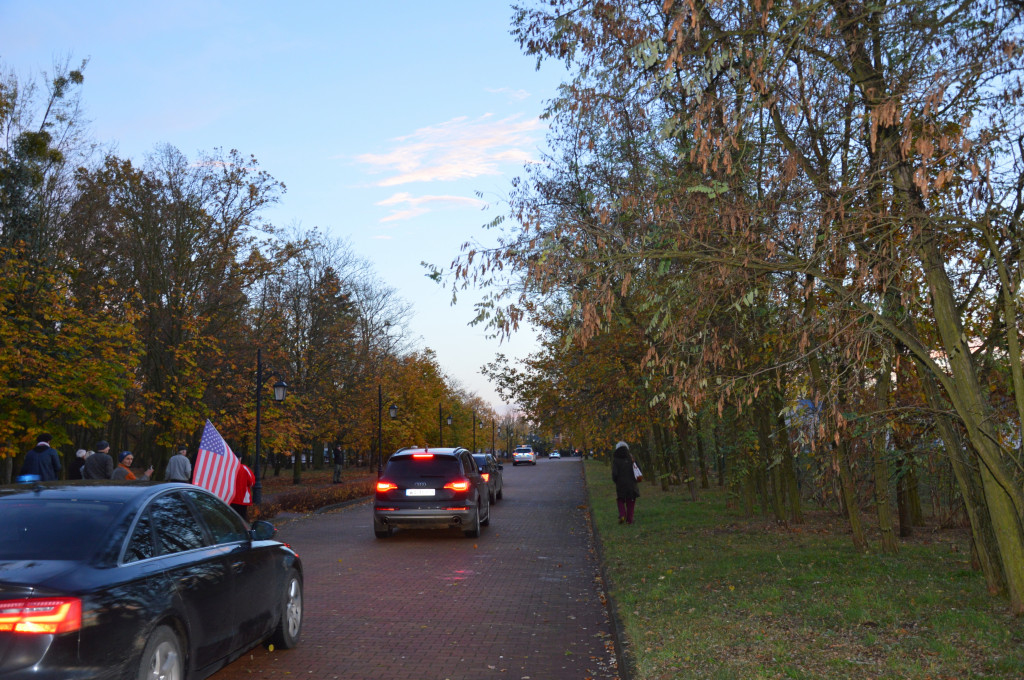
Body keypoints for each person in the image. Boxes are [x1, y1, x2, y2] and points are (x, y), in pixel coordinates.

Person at [611, 440, 640, 525]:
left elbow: (615, 473)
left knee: (620, 499)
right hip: (632, 484)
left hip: (621, 484)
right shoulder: (631, 458)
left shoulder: (616, 459)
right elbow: (638, 469)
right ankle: (629, 520)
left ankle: (622, 514)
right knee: (631, 501)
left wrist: (615, 480)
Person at [230, 453, 256, 520]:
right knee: (242, 519)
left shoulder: (228, 468)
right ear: (240, 458)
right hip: (242, 499)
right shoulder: (244, 468)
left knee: (232, 519)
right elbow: (252, 482)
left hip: (230, 498)